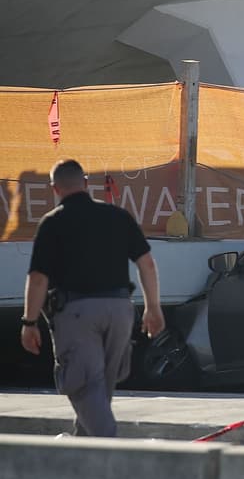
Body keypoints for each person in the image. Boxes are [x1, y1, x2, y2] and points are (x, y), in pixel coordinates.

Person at [19, 159, 164, 437]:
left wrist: (29, 321)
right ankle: (82, 448)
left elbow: (38, 278)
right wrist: (153, 308)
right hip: (120, 310)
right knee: (101, 388)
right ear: (86, 183)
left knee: (84, 386)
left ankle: (108, 454)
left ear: (55, 189)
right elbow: (147, 264)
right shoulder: (118, 216)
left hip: (77, 313)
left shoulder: (53, 222)